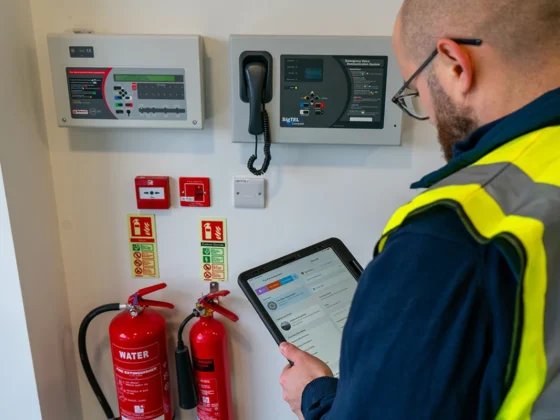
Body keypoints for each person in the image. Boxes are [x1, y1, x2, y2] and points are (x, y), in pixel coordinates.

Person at [279, 0, 560, 418]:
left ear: (455, 65)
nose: (425, 111)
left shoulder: (453, 234)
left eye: (413, 89)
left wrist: (315, 396)